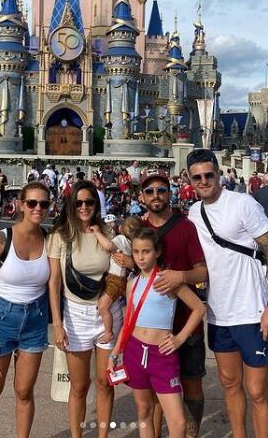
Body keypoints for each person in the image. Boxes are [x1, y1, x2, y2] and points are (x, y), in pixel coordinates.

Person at [186, 149, 268, 438]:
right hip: (219, 312)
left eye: (208, 175)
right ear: (190, 180)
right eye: (197, 177)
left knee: (256, 390)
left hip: (252, 308)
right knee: (229, 383)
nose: (204, 181)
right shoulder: (193, 213)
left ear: (218, 173)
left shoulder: (242, 203)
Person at [108, 227, 206, 438]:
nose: (141, 257)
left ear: (157, 252)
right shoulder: (132, 282)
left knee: (178, 423)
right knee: (144, 411)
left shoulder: (167, 280)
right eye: (136, 252)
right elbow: (128, 321)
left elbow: (199, 308)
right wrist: (115, 353)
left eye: (146, 251)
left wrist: (179, 338)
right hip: (135, 351)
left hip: (162, 356)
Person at [0, 181, 51, 438]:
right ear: (21, 205)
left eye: (43, 203)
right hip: (1, 318)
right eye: (32, 202)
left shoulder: (50, 240)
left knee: (24, 392)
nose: (37, 208)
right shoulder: (1, 239)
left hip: (35, 320)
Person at [48, 180, 122, 438]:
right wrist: (57, 325)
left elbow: (120, 266)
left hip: (106, 313)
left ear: (96, 204)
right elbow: (54, 281)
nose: (84, 207)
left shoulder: (108, 232)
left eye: (89, 201)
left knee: (105, 382)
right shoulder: (60, 236)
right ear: (71, 204)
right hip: (75, 314)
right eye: (78, 202)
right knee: (79, 386)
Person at [141, 172, 208, 438]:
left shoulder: (185, 227)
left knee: (191, 387)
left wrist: (180, 276)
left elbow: (202, 273)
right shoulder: (138, 229)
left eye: (161, 190)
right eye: (149, 191)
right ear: (141, 196)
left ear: (170, 194)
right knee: (155, 393)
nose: (156, 196)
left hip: (185, 321)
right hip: (152, 327)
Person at [92, 216, 142, 344]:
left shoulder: (121, 239)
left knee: (103, 306)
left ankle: (108, 332)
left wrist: (97, 233)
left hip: (115, 280)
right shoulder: (131, 243)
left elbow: (109, 246)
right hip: (118, 280)